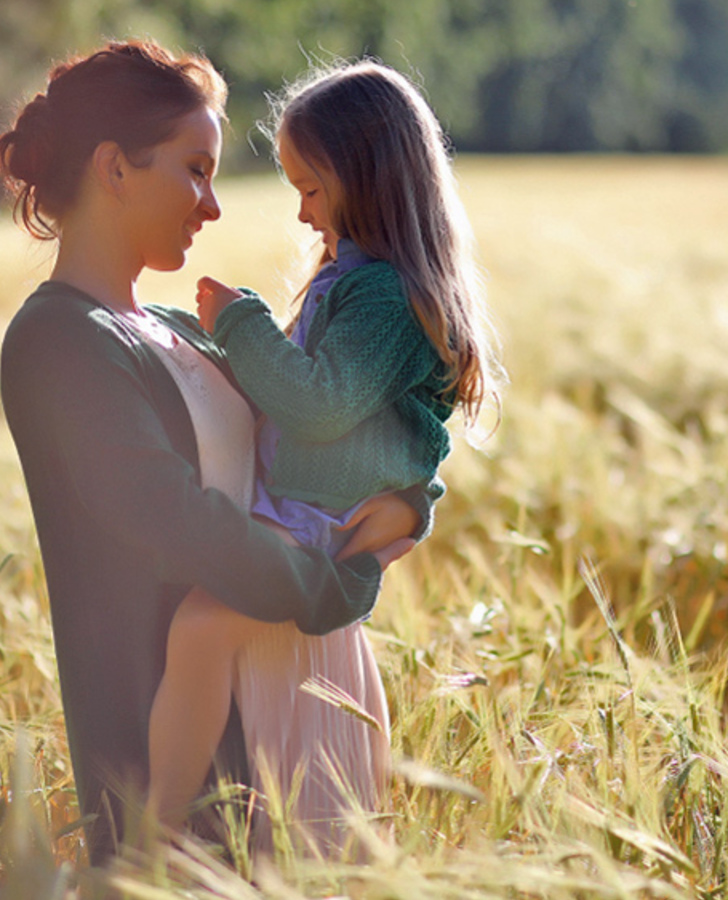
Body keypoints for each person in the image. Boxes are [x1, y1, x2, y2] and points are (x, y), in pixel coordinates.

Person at [0, 41, 429, 865]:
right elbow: (172, 518)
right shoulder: (57, 339)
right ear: (115, 169)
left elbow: (343, 426)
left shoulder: (179, 329)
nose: (213, 205)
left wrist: (413, 501)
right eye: (196, 169)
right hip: (181, 751)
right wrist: (339, 577)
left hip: (299, 683)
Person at [146, 60, 501, 856]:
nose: (303, 216)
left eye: (310, 189)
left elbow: (319, 403)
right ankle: (276, 830)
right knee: (260, 649)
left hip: (318, 523)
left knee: (202, 629)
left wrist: (242, 325)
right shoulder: (361, 282)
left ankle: (149, 833)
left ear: (367, 179)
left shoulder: (381, 296)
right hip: (314, 512)